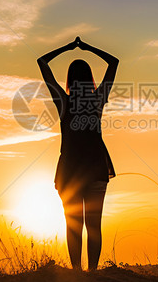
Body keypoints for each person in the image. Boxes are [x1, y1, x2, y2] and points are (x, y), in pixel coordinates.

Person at [37, 37, 118, 270]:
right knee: (94, 225)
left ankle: (77, 272)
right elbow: (114, 63)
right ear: (89, 79)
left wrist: (68, 47)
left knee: (73, 225)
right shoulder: (97, 101)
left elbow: (42, 62)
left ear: (70, 80)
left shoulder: (63, 101)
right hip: (95, 168)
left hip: (70, 170)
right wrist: (88, 47)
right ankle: (91, 272)